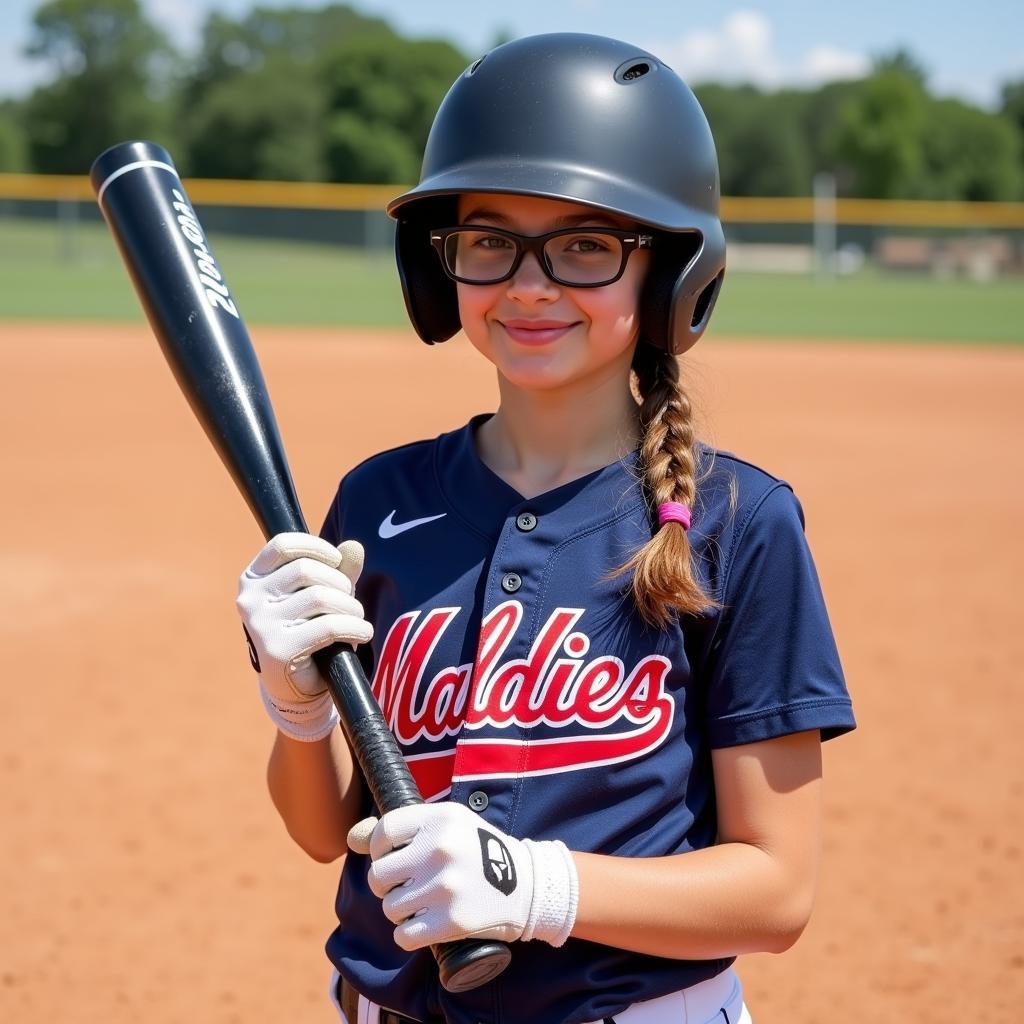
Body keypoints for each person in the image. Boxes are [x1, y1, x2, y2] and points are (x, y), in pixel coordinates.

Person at [235, 32, 855, 1024]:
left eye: (583, 244)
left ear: (666, 270)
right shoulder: (379, 500)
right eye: (489, 240)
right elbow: (327, 830)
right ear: (443, 267)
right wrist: (296, 707)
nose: (527, 284)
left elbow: (776, 890)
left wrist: (534, 886)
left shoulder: (737, 524)